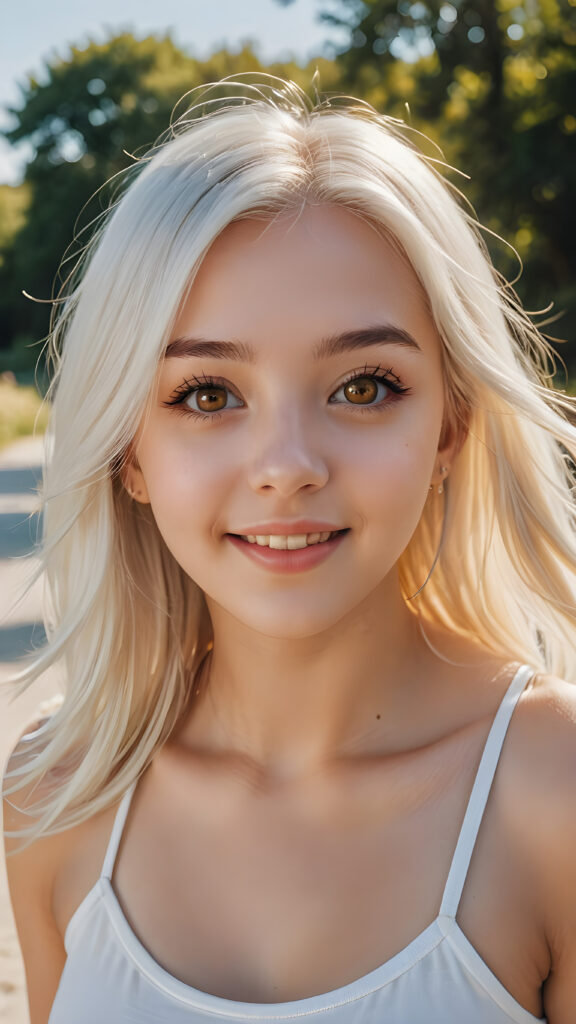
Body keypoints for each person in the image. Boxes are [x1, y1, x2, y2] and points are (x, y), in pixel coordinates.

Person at [3, 74, 576, 1024]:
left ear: (451, 428)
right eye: (206, 395)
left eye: (363, 385)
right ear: (127, 452)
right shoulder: (56, 794)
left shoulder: (553, 792)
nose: (287, 467)